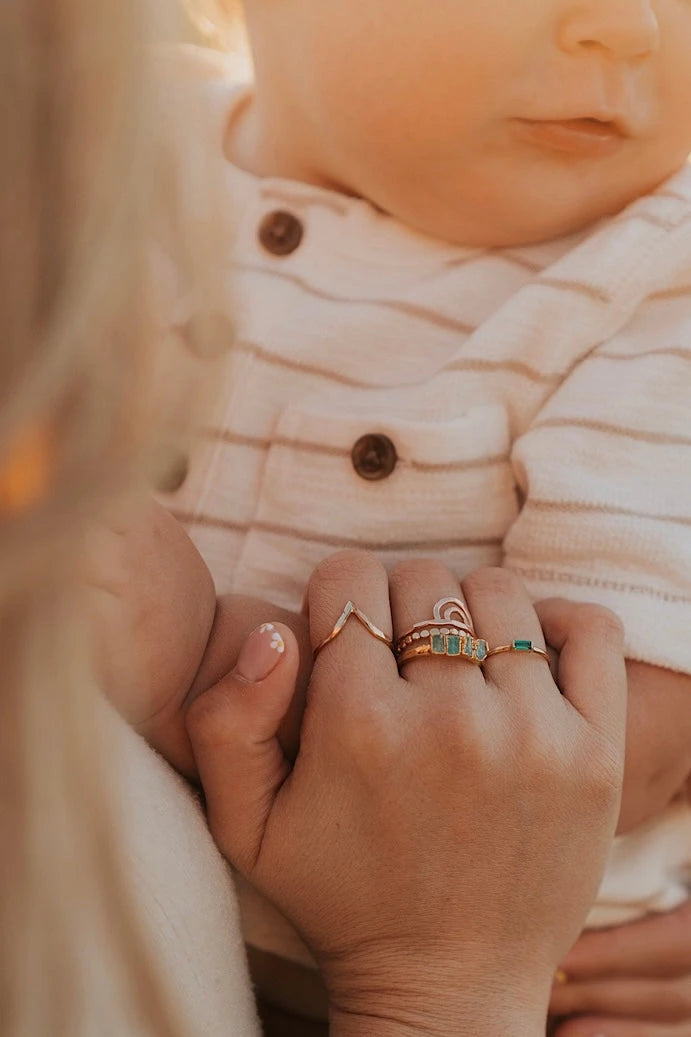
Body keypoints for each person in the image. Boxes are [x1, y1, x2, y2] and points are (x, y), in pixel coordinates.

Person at [0, 0, 633, 1034]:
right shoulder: (109, 142)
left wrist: (202, 672)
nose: (629, 28)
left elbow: (609, 730)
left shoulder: (652, 260)